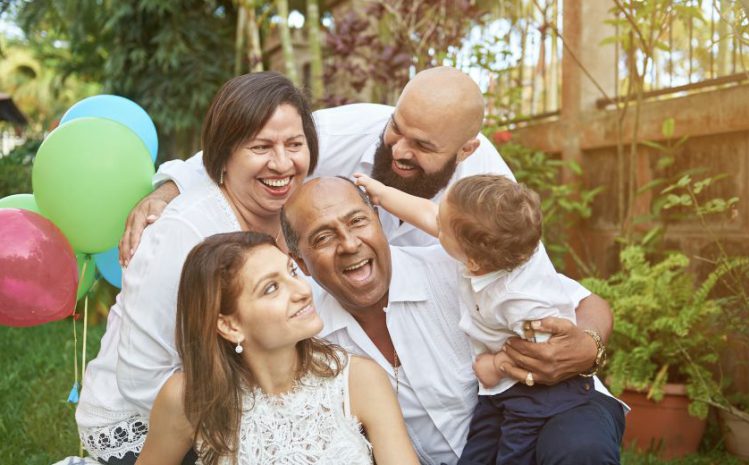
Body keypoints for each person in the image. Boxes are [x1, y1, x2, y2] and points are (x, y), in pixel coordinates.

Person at [119, 66, 612, 390]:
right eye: (397, 128)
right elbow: (248, 146)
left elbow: (546, 288)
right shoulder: (358, 127)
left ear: (464, 151)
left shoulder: (486, 189)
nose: (397, 149)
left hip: (453, 361)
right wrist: (169, 190)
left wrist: (589, 342)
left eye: (421, 146)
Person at [279, 176, 626, 465]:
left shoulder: (458, 263)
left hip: (556, 409)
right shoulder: (307, 331)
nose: (349, 243)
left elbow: (588, 302)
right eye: (323, 237)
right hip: (486, 437)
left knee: (579, 449)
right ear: (302, 263)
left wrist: (587, 342)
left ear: (378, 222)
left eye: (358, 221)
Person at [76, 72, 318, 464]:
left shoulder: (294, 215)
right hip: (153, 426)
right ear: (222, 156)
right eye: (261, 147)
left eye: (295, 144)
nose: (282, 163)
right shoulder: (183, 232)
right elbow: (142, 381)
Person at [354, 172, 597, 464]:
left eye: (441, 229)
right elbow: (428, 214)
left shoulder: (521, 299)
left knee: (515, 453)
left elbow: (545, 354)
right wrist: (381, 192)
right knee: (479, 449)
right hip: (498, 390)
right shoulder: (491, 247)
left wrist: (496, 365)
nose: (435, 225)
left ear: (472, 262)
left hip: (537, 391)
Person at [136, 231, 418, 465]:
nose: (302, 291)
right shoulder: (187, 397)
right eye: (271, 288)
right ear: (230, 326)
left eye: (292, 272)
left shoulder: (359, 380)